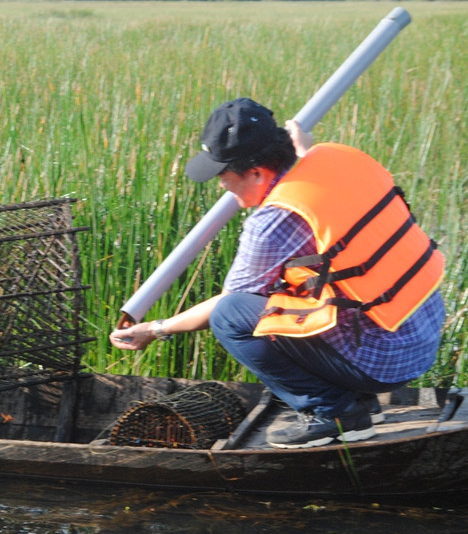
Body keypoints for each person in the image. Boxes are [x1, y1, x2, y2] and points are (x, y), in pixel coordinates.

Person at [110, 98, 445, 449]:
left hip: (381, 362)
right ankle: (360, 401)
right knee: (314, 292)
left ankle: (334, 412)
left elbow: (229, 303)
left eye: (223, 175)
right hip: (419, 336)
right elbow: (311, 160)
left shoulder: (272, 222)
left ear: (255, 172)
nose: (221, 186)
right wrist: (303, 149)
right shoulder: (335, 157)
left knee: (230, 316)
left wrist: (156, 329)